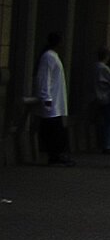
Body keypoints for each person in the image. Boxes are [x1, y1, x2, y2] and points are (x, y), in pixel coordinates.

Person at [33, 31, 71, 166]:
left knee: (56, 130)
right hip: (52, 101)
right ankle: (54, 155)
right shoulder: (49, 57)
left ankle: (57, 155)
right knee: (53, 131)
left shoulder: (52, 56)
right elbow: (44, 78)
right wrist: (47, 98)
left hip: (55, 101)